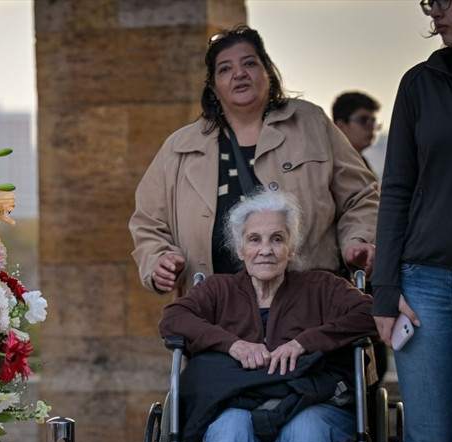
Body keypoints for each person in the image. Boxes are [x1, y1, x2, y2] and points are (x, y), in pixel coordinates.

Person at [159, 191, 378, 442]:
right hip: (237, 408)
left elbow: (371, 313)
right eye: (254, 239)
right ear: (240, 249)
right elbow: (173, 319)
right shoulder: (219, 290)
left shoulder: (321, 287)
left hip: (311, 407)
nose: (266, 249)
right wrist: (232, 344)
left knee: (307, 431)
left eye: (277, 239)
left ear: (291, 248)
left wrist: (306, 341)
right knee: (227, 434)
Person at [130, 25, 379, 295]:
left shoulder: (311, 123)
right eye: (225, 69)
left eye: (249, 63)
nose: (239, 73)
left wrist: (358, 241)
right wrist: (159, 260)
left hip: (310, 304)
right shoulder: (179, 147)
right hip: (216, 310)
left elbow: (361, 196)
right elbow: (148, 222)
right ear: (213, 87)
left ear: (267, 72)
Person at [371, 0, 452, 442]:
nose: (435, 13)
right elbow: (397, 190)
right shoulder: (421, 83)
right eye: (430, 3)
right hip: (425, 282)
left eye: (446, 0)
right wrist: (385, 290)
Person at [331, 91, 381, 164]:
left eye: (373, 121)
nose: (371, 127)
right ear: (340, 126)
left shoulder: (361, 162)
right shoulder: (331, 165)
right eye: (363, 120)